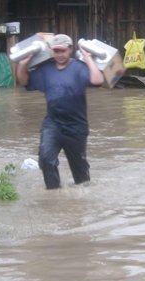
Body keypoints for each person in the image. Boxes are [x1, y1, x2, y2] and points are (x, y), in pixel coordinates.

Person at [15, 34, 104, 189]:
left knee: (80, 175)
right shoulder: (45, 69)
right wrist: (23, 64)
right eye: (56, 51)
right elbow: (24, 81)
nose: (60, 54)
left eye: (63, 51)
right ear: (51, 51)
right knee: (45, 160)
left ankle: (82, 197)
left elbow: (98, 80)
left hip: (76, 127)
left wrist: (88, 58)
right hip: (53, 124)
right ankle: (54, 193)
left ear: (70, 50)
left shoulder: (78, 67)